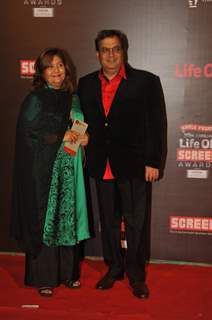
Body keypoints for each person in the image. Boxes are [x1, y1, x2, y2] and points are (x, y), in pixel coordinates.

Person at [78, 30, 166, 299]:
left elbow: (156, 124)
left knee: (136, 222)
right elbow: (82, 119)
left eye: (116, 49)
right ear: (97, 54)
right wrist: (81, 136)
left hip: (135, 164)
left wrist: (153, 161)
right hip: (100, 163)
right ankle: (114, 267)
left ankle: (136, 275)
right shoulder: (86, 84)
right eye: (105, 50)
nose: (111, 55)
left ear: (124, 51)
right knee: (109, 221)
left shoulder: (147, 82)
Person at [11, 48, 90, 297]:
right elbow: (28, 132)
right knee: (47, 219)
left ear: (66, 69)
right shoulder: (35, 99)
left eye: (60, 65)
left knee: (68, 218)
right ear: (42, 72)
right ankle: (43, 276)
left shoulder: (73, 98)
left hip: (70, 168)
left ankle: (68, 273)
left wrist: (83, 137)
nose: (56, 70)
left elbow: (77, 127)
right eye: (50, 66)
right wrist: (59, 136)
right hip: (44, 172)